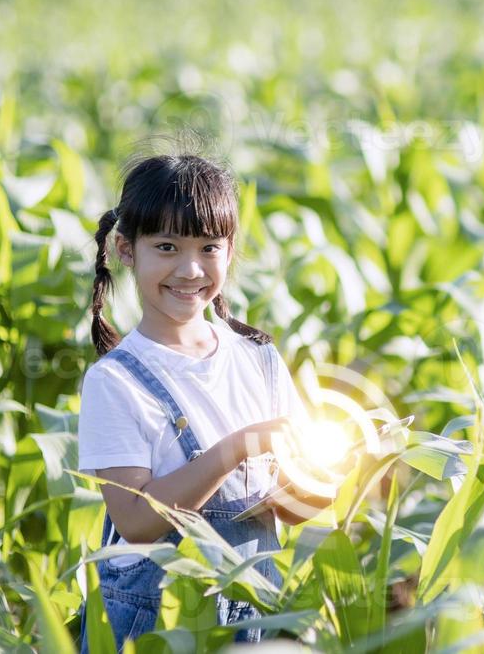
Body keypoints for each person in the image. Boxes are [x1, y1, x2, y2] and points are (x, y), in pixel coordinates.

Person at [76, 151, 328, 648]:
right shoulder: (116, 382)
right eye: (167, 247)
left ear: (230, 250)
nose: (190, 270)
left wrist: (339, 471)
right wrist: (238, 447)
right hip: (160, 627)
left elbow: (297, 505)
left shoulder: (259, 360)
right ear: (126, 250)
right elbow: (138, 521)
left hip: (250, 618)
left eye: (209, 247)